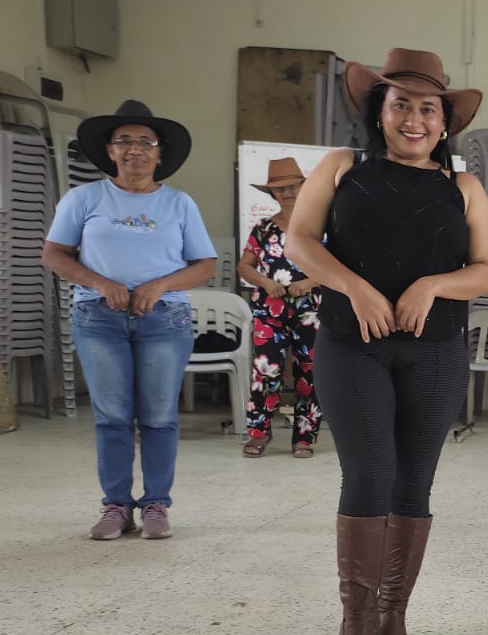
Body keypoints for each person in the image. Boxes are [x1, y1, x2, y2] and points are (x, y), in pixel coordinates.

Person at [285, 48, 488, 635]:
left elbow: (486, 271)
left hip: (435, 351)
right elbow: (299, 241)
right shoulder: (342, 167)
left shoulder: (462, 187)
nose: (414, 119)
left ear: (444, 121)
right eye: (400, 104)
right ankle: (355, 624)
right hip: (351, 346)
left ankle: (393, 615)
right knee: (369, 475)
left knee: (413, 485)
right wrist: (354, 287)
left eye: (428, 108)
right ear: (378, 111)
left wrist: (433, 285)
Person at [41, 99, 217, 540]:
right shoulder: (83, 198)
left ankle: (156, 504)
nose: (134, 149)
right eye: (124, 141)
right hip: (98, 318)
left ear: (160, 154)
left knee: (158, 416)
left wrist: (160, 286)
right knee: (112, 416)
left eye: (145, 142)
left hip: (165, 320)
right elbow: (54, 254)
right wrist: (100, 283)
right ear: (110, 151)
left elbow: (204, 265)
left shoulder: (179, 204)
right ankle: (116, 506)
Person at [238, 157, 321, 458]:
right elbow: (244, 266)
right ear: (272, 193)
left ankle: (305, 437)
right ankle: (259, 433)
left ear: (303, 187)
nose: (287, 193)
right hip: (269, 312)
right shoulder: (263, 228)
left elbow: (339, 267)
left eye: (293, 186)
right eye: (280, 188)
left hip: (310, 311)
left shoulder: (320, 227)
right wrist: (264, 281)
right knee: (266, 371)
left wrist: (309, 282)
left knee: (310, 372)